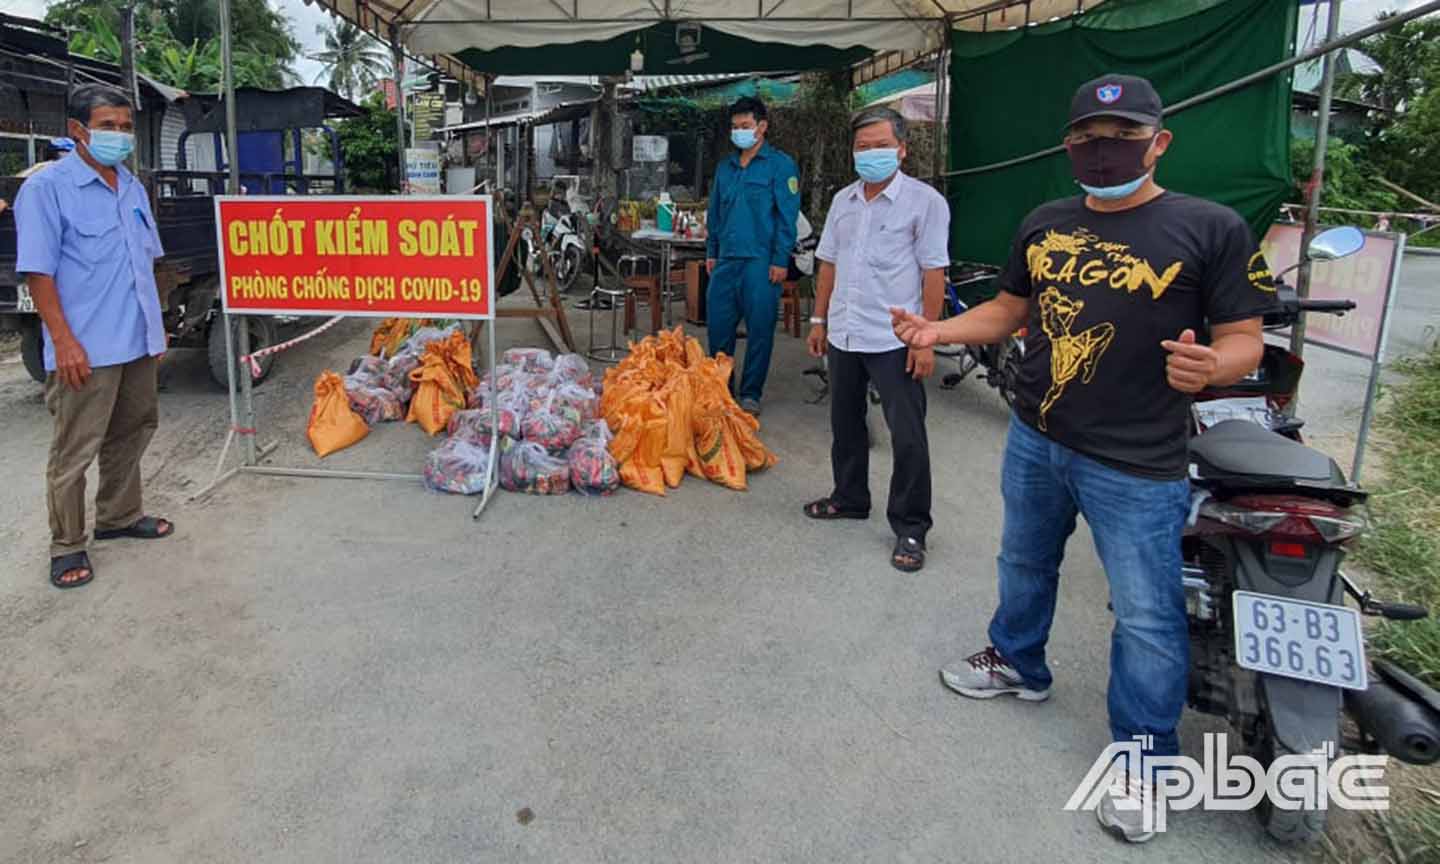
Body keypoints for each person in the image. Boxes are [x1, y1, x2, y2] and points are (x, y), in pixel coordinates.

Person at [890, 74, 1273, 842]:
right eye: (1087, 139)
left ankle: (1144, 758)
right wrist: (937, 333)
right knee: (1024, 562)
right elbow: (1009, 311)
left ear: (1158, 142)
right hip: (1037, 434)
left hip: (1136, 459)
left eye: (1121, 137)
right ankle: (1020, 662)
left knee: (1146, 616)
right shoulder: (1044, 223)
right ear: (1068, 145)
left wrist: (1216, 369)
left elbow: (1244, 337)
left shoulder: (1211, 228)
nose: (1103, 152)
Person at [15, 83, 175, 590]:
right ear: (77, 131)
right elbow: (38, 273)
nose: (120, 136)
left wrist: (158, 329)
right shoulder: (47, 189)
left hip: (136, 339)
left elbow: (145, 264)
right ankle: (66, 544)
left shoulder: (131, 186)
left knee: (134, 430)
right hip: (86, 346)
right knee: (74, 449)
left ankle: (120, 517)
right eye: (109, 126)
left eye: (126, 127)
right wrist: (62, 341)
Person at [804, 106, 948, 573]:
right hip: (845, 332)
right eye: (863, 147)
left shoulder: (925, 203)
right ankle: (849, 498)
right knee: (846, 425)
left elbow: (933, 273)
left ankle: (910, 526)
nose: (871, 154)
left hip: (894, 338)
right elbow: (828, 264)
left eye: (881, 145)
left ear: (902, 149)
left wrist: (925, 337)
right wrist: (818, 320)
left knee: (907, 435)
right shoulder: (844, 201)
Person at [704, 96, 801, 416]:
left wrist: (780, 259)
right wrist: (712, 251)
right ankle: (721, 388)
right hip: (726, 260)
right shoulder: (726, 167)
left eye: (745, 126)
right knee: (718, 328)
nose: (739, 132)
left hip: (761, 262)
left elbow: (787, 217)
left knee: (760, 330)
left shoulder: (780, 165)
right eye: (735, 127)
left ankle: (750, 394)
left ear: (762, 127)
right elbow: (715, 213)